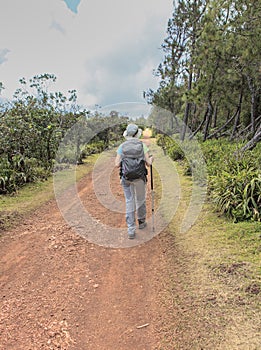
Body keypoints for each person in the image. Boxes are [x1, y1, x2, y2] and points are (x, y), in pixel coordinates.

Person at [115, 123, 153, 239]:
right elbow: (148, 163)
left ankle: (131, 229)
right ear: (137, 134)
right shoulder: (142, 146)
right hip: (140, 178)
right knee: (140, 200)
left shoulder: (122, 146)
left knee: (129, 201)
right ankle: (141, 222)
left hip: (126, 178)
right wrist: (151, 159)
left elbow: (116, 164)